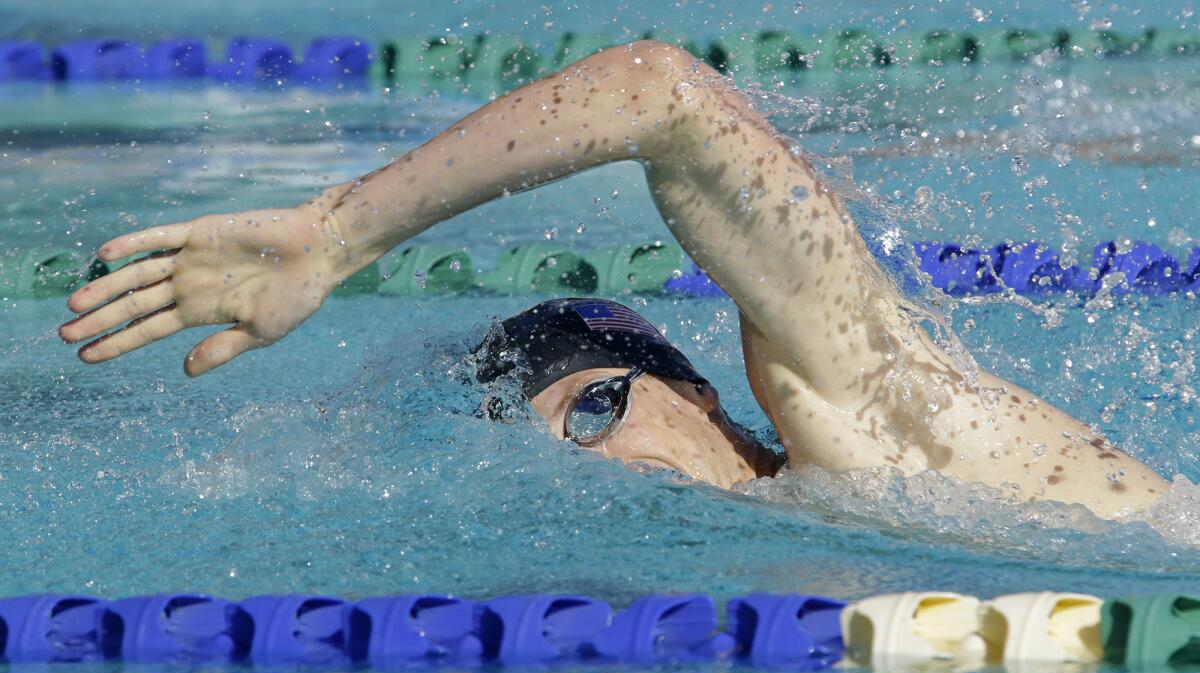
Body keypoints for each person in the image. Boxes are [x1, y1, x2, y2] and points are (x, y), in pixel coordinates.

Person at [57, 41, 1166, 518]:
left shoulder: (875, 422)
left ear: (699, 395)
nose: (590, 468)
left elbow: (662, 97)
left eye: (593, 411)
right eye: (554, 451)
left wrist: (339, 231)